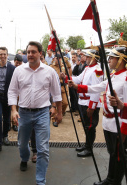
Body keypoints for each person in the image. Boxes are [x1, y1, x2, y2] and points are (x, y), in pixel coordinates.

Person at [69, 39, 127, 184]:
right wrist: (77, 87)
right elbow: (98, 87)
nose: (109, 60)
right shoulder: (113, 75)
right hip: (108, 122)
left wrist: (124, 130)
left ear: (121, 60)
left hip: (119, 123)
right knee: (112, 153)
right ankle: (110, 178)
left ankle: (115, 181)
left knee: (119, 155)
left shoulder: (125, 78)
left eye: (112, 57)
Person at [8, 41, 62, 185]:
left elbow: (57, 94)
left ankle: (40, 181)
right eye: (28, 52)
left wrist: (58, 111)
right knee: (22, 144)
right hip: (23, 113)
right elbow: (12, 91)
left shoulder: (50, 71)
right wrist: (13, 110)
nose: (30, 54)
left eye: (33, 52)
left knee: (43, 149)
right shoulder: (18, 70)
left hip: (43, 113)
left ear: (40, 53)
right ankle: (24, 158)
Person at [63, 45, 103, 157]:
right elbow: (79, 79)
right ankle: (86, 145)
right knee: (86, 126)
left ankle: (89, 148)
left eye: (88, 56)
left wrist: (92, 106)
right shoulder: (87, 68)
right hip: (83, 101)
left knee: (90, 127)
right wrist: (67, 77)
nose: (86, 58)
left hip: (89, 102)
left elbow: (96, 89)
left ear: (94, 57)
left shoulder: (97, 70)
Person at [50, 55, 72, 127]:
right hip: (55, 88)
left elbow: (68, 72)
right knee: (55, 104)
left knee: (65, 103)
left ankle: (60, 114)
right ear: (54, 59)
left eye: (60, 58)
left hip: (63, 87)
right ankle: (54, 119)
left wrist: (65, 77)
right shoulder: (51, 67)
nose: (58, 60)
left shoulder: (64, 66)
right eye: (57, 58)